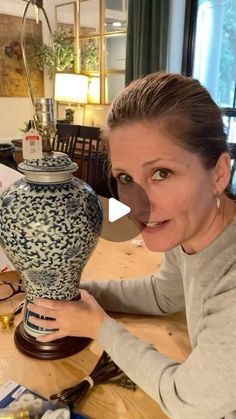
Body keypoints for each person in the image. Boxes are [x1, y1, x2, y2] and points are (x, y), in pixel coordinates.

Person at [28, 72, 236, 419]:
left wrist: (98, 327)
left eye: (161, 174)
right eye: (126, 178)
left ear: (218, 174)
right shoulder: (190, 230)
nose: (138, 206)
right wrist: (78, 294)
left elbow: (189, 402)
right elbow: (165, 295)